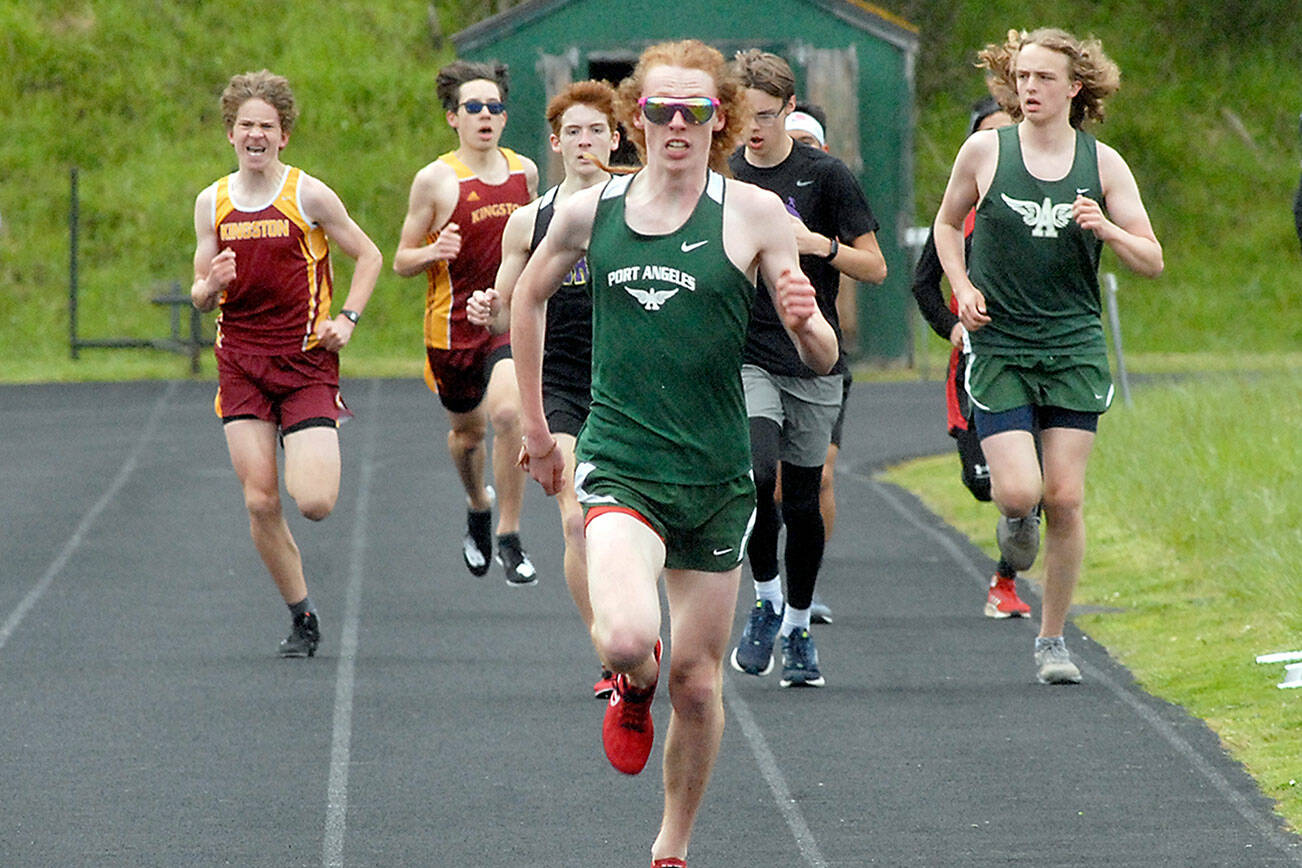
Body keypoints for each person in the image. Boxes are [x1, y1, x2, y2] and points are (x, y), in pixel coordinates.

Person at [510, 39, 838, 868]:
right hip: (621, 460)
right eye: (661, 109)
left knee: (696, 682)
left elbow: (824, 354)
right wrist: (537, 430)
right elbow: (528, 296)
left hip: (718, 479)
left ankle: (672, 847)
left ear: (718, 119)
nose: (678, 124)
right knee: (627, 639)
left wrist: (805, 321)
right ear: (636, 120)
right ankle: (630, 686)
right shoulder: (593, 215)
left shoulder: (755, 215)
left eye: (696, 110)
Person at [933, 28, 1163, 684]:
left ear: (1074, 87)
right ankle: (1013, 520)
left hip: (1072, 345)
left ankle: (1052, 640)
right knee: (1019, 491)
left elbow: (1152, 260)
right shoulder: (985, 151)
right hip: (1002, 342)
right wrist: (964, 287)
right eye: (1021, 77)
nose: (1028, 88)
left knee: (1064, 498)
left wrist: (1107, 227)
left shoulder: (1104, 165)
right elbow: (948, 225)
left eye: (1042, 78)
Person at [190, 70, 382, 657]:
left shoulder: (309, 196)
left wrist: (346, 318)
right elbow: (200, 291)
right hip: (241, 364)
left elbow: (368, 254)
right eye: (245, 125)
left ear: (283, 135)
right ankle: (302, 616)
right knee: (259, 500)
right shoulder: (212, 202)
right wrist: (211, 285)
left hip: (305, 362)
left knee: (315, 503)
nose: (255, 135)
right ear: (230, 134)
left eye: (266, 127)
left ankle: (311, 446)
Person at [727, 50, 886, 688]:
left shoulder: (826, 176)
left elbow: (874, 267)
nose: (755, 129)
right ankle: (764, 599)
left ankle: (796, 622)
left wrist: (817, 245)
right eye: (745, 116)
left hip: (813, 354)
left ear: (791, 111)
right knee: (755, 475)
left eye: (767, 116)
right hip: (745, 353)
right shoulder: (724, 174)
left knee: (802, 497)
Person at [466, 80, 620, 697]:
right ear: (555, 144)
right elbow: (508, 310)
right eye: (574, 133)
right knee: (577, 521)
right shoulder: (530, 221)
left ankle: (640, 613)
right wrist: (488, 309)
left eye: (597, 131)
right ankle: (608, 651)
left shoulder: (641, 207)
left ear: (616, 138)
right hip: (560, 378)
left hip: (628, 375)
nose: (586, 142)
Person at [393, 60, 540, 586]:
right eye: (473, 107)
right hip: (451, 329)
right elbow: (400, 260)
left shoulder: (526, 173)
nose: (485, 116)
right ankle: (478, 503)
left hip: (503, 318)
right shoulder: (435, 180)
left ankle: (510, 534)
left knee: (507, 416)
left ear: (505, 117)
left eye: (494, 107)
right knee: (468, 436)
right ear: (453, 118)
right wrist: (434, 250)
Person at [911, 95, 1034, 620]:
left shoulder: (1036, 210)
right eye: (988, 134)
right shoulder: (957, 218)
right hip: (974, 366)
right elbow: (922, 284)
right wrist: (953, 325)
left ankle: (1004, 581)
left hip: (1035, 358)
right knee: (986, 485)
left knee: (1035, 484)